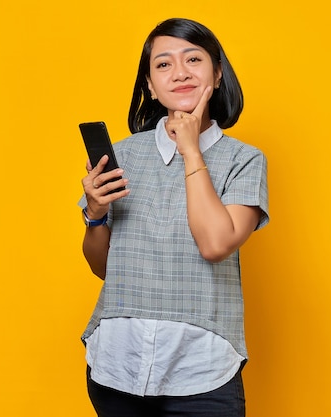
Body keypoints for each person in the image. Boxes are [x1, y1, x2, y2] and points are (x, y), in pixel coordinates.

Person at [78, 17, 269, 417]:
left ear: (217, 74)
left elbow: (215, 244)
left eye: (193, 60)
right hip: (117, 363)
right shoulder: (122, 155)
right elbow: (103, 268)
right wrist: (95, 217)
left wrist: (192, 150)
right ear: (149, 84)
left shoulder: (243, 159)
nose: (179, 73)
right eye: (163, 64)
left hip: (202, 369)